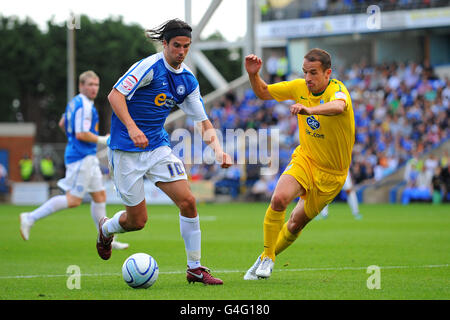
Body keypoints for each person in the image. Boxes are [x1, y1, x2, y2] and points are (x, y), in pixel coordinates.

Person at [99, 19, 232, 285]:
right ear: (165, 44)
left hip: (158, 147)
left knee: (188, 202)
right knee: (137, 221)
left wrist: (219, 150)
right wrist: (133, 128)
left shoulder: (187, 80)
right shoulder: (149, 67)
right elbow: (115, 95)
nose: (181, 51)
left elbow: (203, 120)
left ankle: (195, 268)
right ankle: (106, 228)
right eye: (176, 46)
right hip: (126, 149)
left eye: (186, 46)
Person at [243, 48, 355, 280]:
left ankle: (267, 253)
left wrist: (310, 109)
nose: (308, 78)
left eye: (313, 73)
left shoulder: (338, 89)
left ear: (327, 73)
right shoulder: (298, 87)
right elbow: (263, 92)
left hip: (332, 175)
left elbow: (338, 107)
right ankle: (267, 257)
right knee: (279, 199)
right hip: (306, 158)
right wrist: (254, 75)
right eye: (305, 72)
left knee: (294, 224)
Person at [20, 71, 128, 250]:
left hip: (86, 156)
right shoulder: (84, 105)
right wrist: (104, 140)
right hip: (81, 158)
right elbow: (81, 134)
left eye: (96, 85)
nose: (94, 88)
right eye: (90, 85)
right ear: (81, 86)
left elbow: (63, 123)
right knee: (73, 200)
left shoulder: (74, 103)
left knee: (99, 196)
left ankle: (106, 238)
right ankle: (30, 217)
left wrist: (73, 140)